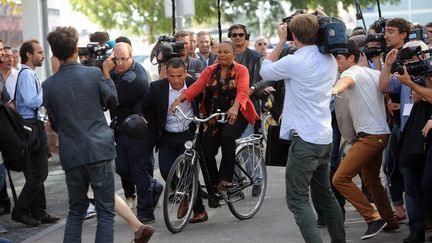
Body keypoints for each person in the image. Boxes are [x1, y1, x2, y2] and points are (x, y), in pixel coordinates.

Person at [44, 26, 154, 243]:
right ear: (76, 49)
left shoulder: (48, 85)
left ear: (54, 53)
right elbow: (112, 102)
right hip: (99, 149)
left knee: (76, 211)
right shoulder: (94, 74)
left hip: (72, 152)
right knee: (105, 211)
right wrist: (105, 73)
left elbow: (54, 123)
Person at [259, 14, 345, 243]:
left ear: (292, 35)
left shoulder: (295, 61)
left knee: (297, 200)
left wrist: (278, 42)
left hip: (305, 141)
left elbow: (265, 71)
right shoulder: (329, 59)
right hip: (324, 137)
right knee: (325, 195)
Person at [331, 39, 399, 240]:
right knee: (371, 180)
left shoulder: (349, 73)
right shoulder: (374, 73)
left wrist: (335, 89)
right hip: (380, 135)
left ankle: (372, 218)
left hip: (371, 137)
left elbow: (347, 81)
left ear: (351, 58)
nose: (337, 62)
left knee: (340, 179)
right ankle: (390, 220)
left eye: (339, 58)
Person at [170, 41, 259, 192]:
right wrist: (179, 100)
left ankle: (226, 178)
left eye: (226, 52)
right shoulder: (210, 70)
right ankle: (214, 184)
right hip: (215, 114)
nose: (222, 55)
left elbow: (243, 92)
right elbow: (196, 87)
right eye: (220, 52)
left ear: (234, 54)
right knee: (205, 149)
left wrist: (235, 108)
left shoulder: (241, 70)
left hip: (237, 113)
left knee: (227, 137)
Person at [138, 57, 208, 223]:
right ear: (166, 75)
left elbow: (206, 102)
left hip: (188, 134)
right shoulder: (157, 87)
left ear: (185, 73)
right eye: (171, 76)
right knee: (166, 171)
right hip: (167, 135)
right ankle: (183, 195)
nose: (175, 80)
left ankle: (199, 210)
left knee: (188, 173)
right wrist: (140, 116)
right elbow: (141, 104)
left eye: (179, 76)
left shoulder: (194, 85)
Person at [386, 40, 432, 243]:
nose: (410, 63)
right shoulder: (408, 74)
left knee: (428, 183)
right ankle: (416, 231)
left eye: (414, 57)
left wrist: (414, 86)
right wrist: (388, 66)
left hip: (427, 133)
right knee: (410, 180)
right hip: (411, 130)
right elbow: (384, 86)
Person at [104, 42, 155, 223]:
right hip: (122, 130)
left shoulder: (134, 78)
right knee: (121, 167)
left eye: (123, 59)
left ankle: (145, 213)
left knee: (138, 171)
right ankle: (153, 187)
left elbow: (110, 99)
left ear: (131, 56)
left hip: (137, 131)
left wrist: (104, 71)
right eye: (115, 59)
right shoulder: (120, 72)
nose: (118, 63)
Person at [12, 39, 59, 227]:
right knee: (39, 173)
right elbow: (31, 101)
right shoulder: (26, 75)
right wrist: (45, 91)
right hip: (32, 126)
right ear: (29, 55)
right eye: (39, 52)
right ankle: (20, 210)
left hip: (34, 125)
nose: (43, 56)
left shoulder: (28, 74)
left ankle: (39, 212)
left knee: (38, 171)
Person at [379, 17, 412, 222]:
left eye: (391, 31)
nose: (386, 35)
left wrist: (407, 103)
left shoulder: (415, 54)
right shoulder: (389, 56)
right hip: (396, 122)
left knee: (408, 169)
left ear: (403, 34)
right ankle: (398, 208)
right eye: (385, 31)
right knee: (390, 166)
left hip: (412, 122)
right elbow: (383, 86)